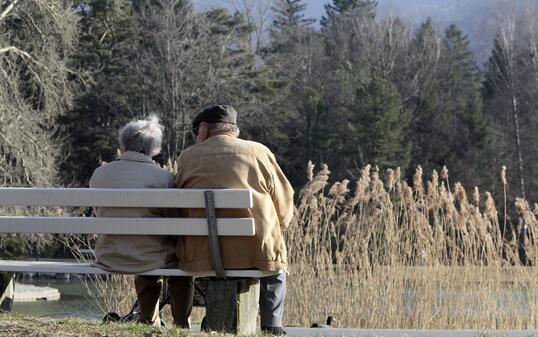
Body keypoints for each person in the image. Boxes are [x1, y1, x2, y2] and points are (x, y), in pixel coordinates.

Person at [175, 105, 294, 335]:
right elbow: (284, 202)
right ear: (233, 130)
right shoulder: (259, 152)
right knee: (275, 263)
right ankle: (272, 324)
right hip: (254, 253)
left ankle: (190, 321)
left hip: (201, 254)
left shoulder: (187, 157)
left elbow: (179, 206)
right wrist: (278, 227)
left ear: (204, 129)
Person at [89, 115, 194, 328]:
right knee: (179, 261)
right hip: (150, 258)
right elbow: (174, 222)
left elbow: (100, 212)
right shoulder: (163, 178)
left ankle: (149, 320)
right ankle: (181, 324)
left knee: (148, 252)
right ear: (154, 148)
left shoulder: (100, 175)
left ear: (123, 143)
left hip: (109, 255)